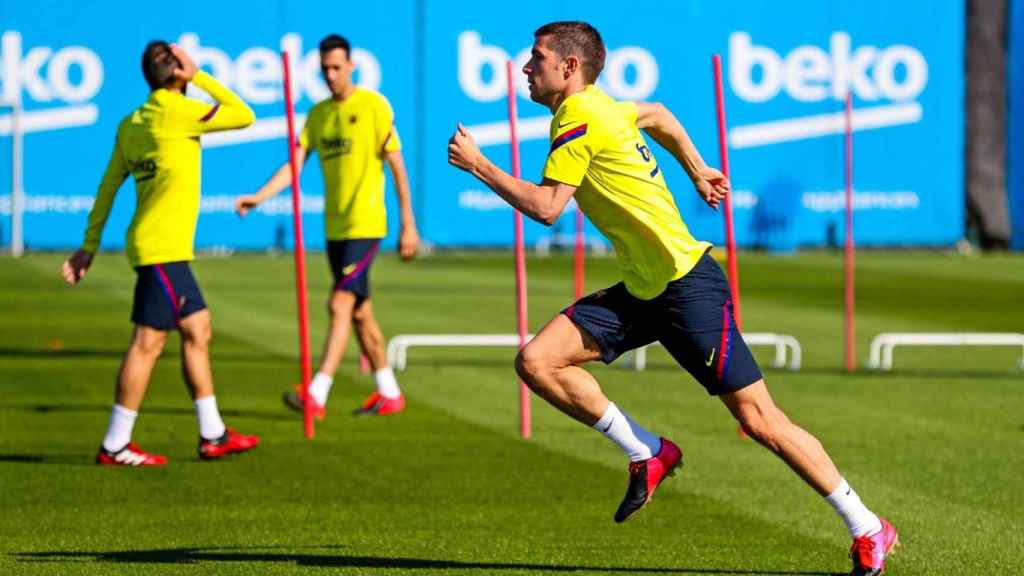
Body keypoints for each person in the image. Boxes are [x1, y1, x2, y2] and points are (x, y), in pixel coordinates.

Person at [447, 21, 898, 576]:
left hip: (688, 287)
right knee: (538, 361)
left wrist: (480, 166)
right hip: (643, 289)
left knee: (760, 420)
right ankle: (647, 451)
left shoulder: (579, 115)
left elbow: (547, 208)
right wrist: (697, 168)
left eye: (536, 57)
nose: (525, 67)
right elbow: (657, 113)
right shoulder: (604, 106)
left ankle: (867, 525)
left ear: (569, 67)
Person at [62, 41, 260, 466]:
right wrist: (200, 76)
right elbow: (244, 115)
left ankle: (213, 433)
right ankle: (115, 443)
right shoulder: (178, 112)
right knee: (147, 343)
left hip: (153, 245)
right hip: (163, 249)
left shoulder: (132, 122)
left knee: (198, 328)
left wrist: (88, 246)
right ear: (176, 73)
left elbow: (107, 187)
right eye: (182, 66)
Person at [235, 34, 419, 418]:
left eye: (337, 67)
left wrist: (408, 224)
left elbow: (397, 166)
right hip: (335, 230)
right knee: (359, 313)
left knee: (339, 304)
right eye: (325, 69)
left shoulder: (373, 106)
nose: (331, 75)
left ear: (352, 66)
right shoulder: (318, 115)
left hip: (366, 224)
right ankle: (389, 392)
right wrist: (260, 197)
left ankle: (317, 391)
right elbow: (295, 164)